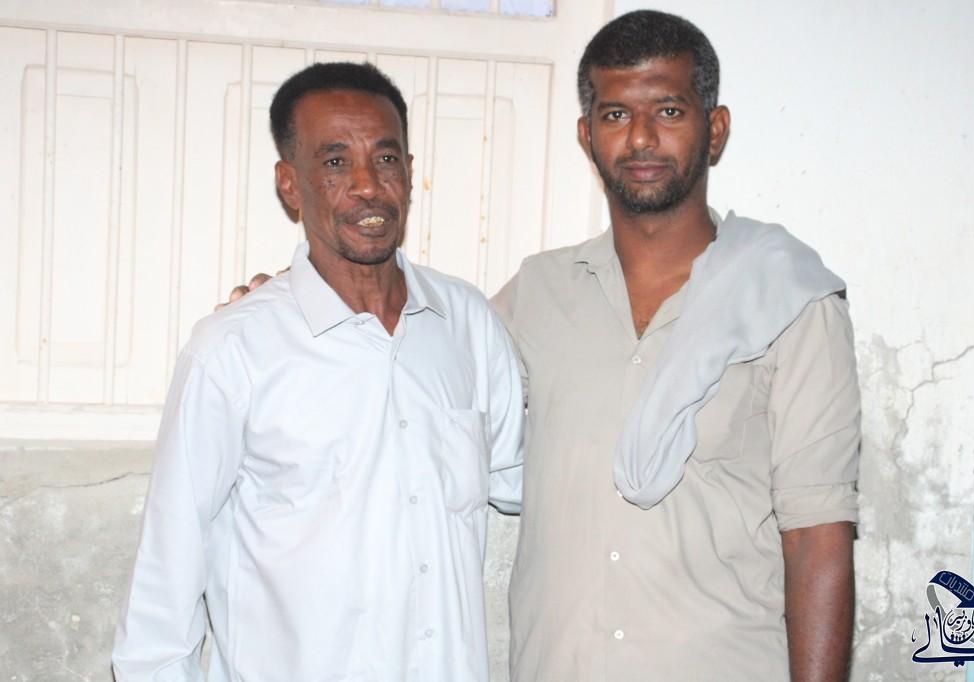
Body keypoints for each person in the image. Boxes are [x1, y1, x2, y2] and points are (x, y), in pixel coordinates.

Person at [111, 62, 524, 682]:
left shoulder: (468, 325)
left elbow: (528, 483)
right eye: (335, 162)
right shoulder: (233, 350)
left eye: (386, 159)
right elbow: (163, 591)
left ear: (410, 174)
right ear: (290, 184)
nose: (367, 186)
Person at [492, 10, 859, 682]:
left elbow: (817, 536)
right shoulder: (535, 295)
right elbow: (426, 389)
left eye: (667, 110)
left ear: (714, 130)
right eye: (615, 115)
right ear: (587, 135)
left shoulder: (790, 300)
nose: (640, 137)